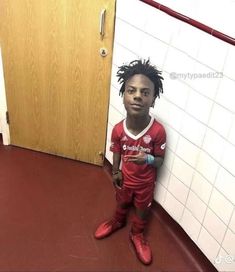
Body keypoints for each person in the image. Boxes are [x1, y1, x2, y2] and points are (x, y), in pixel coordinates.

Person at [94, 59, 166, 265]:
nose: (137, 96)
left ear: (153, 100)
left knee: (143, 209)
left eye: (145, 92)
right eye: (131, 90)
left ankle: (137, 234)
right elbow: (116, 149)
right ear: (123, 96)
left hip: (145, 185)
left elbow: (160, 162)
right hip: (125, 179)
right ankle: (117, 221)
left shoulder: (158, 131)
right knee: (122, 201)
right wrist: (115, 171)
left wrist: (148, 158)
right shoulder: (118, 129)